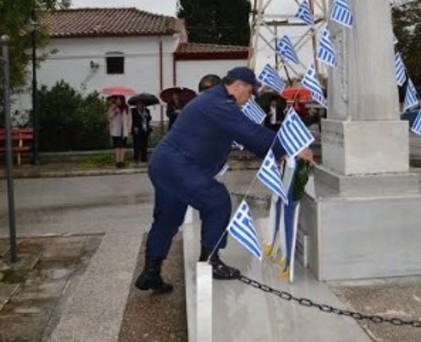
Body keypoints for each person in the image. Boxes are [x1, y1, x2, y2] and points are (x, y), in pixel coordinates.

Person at [134, 67, 315, 294]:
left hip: (167, 165)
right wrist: (291, 148)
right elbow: (249, 132)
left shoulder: (215, 101)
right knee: (217, 201)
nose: (250, 98)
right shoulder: (218, 103)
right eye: (250, 92)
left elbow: (247, 135)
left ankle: (151, 271)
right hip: (178, 165)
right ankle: (210, 261)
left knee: (167, 219)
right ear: (238, 85)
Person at [107, 95, 131, 168]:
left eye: (119, 99)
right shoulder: (112, 107)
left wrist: (129, 128)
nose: (118, 101)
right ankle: (118, 162)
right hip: (116, 129)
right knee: (117, 146)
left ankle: (122, 161)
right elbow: (109, 118)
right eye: (117, 99)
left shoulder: (127, 108)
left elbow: (129, 119)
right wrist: (114, 112)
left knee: (123, 146)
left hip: (124, 129)